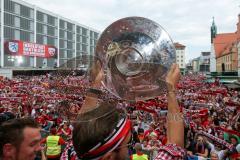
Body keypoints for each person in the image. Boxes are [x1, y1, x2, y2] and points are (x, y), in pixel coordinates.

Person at [72, 64, 185, 160]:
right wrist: (171, 90)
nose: (130, 148)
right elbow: (175, 146)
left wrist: (96, 84)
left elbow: (81, 125)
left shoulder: (76, 152)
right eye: (128, 144)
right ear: (109, 157)